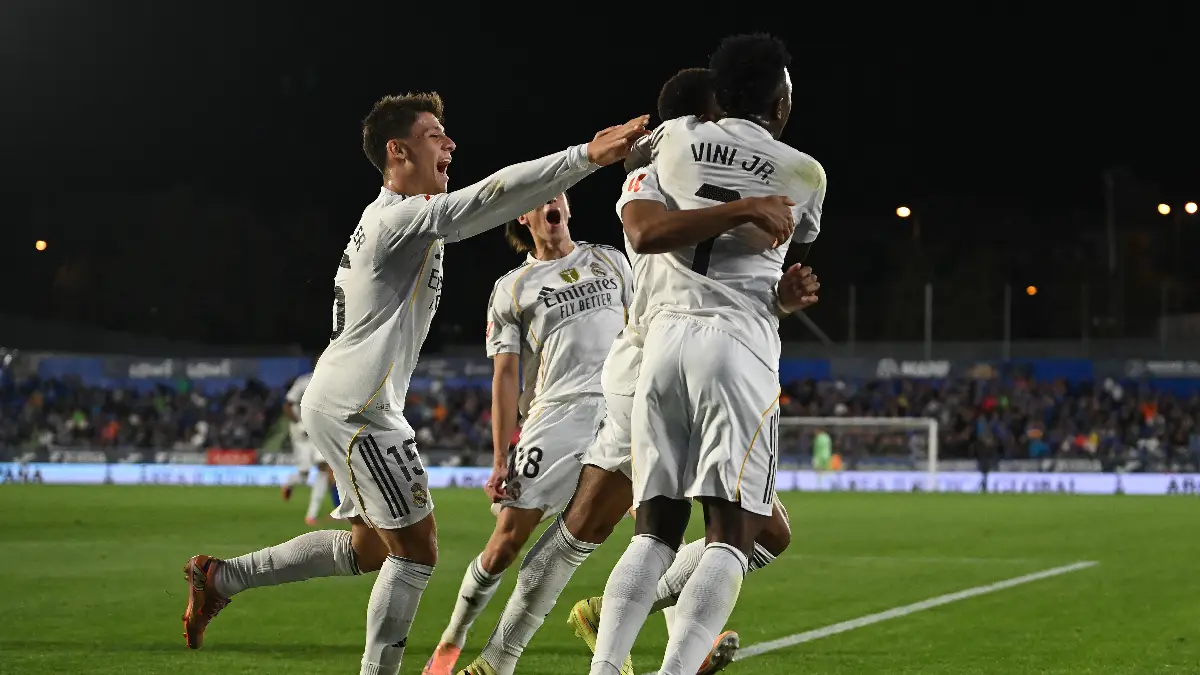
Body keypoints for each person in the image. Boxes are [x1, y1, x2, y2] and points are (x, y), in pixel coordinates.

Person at [178, 91, 649, 675]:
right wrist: (584, 156)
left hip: (353, 400)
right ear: (398, 151)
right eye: (434, 135)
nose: (449, 143)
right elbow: (488, 199)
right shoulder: (398, 218)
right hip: (361, 407)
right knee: (417, 551)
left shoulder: (395, 218)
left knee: (372, 547)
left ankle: (221, 577)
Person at [456, 67, 819, 675]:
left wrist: (777, 295)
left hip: (669, 351)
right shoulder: (665, 158)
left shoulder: (683, 166)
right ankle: (500, 658)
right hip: (652, 359)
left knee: (737, 530)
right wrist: (747, 209)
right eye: (714, 117)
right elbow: (651, 230)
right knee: (598, 528)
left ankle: (642, 631)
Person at [589, 34, 826, 675]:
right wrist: (777, 289)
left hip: (662, 344)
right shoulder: (805, 172)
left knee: (654, 531)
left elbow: (655, 224)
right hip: (738, 348)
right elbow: (771, 251)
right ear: (780, 101)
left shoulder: (671, 141)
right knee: (732, 536)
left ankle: (605, 668)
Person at [421, 193, 634, 675]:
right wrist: (501, 457)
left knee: (653, 521)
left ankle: (629, 641)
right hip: (555, 416)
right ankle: (453, 638)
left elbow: (645, 325)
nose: (551, 204)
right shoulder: (513, 288)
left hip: (622, 407)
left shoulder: (610, 261)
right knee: (507, 541)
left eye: (558, 195)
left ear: (569, 207)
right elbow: (505, 376)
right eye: (539, 199)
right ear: (525, 215)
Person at [281, 361, 340, 524]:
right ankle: (288, 483)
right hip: (302, 431)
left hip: (319, 430)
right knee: (304, 474)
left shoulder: (333, 382)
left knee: (325, 469)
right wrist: (299, 423)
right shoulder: (303, 382)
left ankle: (311, 515)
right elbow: (287, 405)